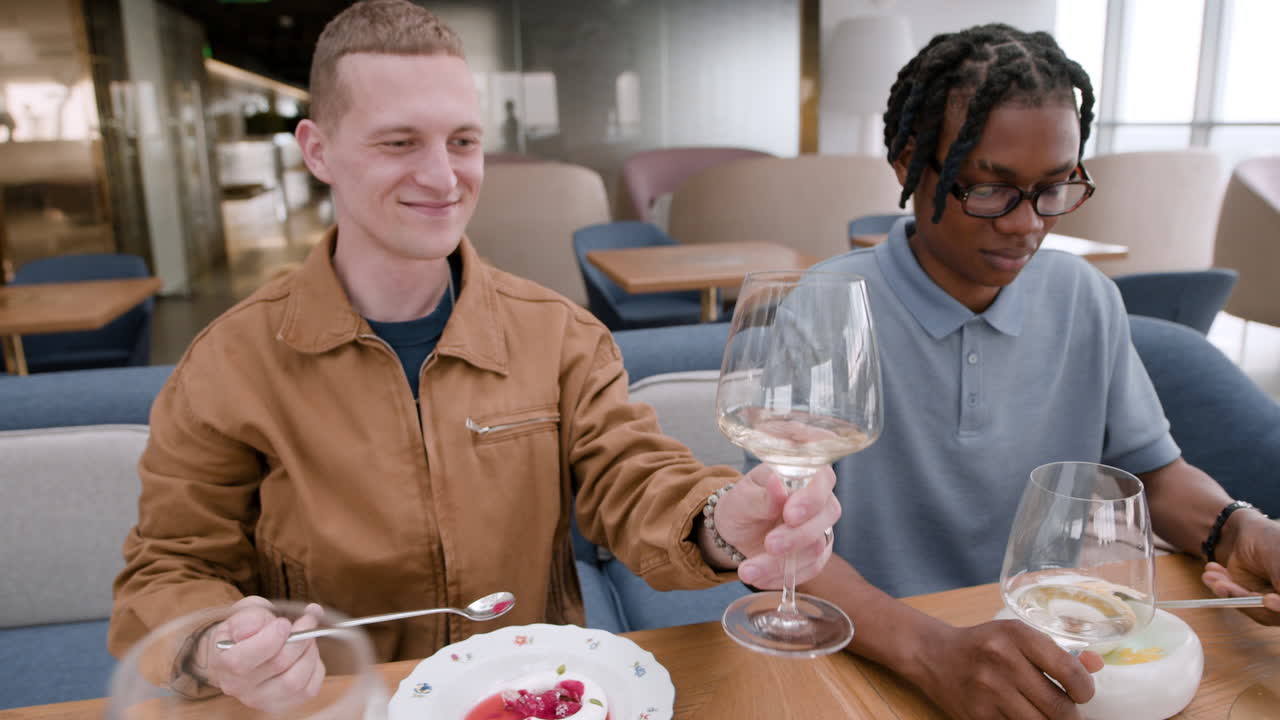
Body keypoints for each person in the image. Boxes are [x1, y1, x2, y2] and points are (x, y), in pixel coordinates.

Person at [107, 0, 841, 711]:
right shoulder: (227, 365)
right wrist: (213, 641)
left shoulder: (558, 334)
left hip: (528, 697)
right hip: (340, 704)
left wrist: (720, 522)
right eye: (399, 143)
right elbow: (168, 570)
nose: (442, 176)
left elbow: (635, 478)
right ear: (317, 151)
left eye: (461, 141)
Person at [801, 23, 1280, 720]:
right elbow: (785, 551)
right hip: (877, 663)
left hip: (1058, 657)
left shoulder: (1084, 297)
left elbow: (1155, 473)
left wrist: (1240, 529)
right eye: (990, 189)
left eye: (1055, 188)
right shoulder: (828, 307)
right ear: (909, 162)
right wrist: (935, 654)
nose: (1027, 224)